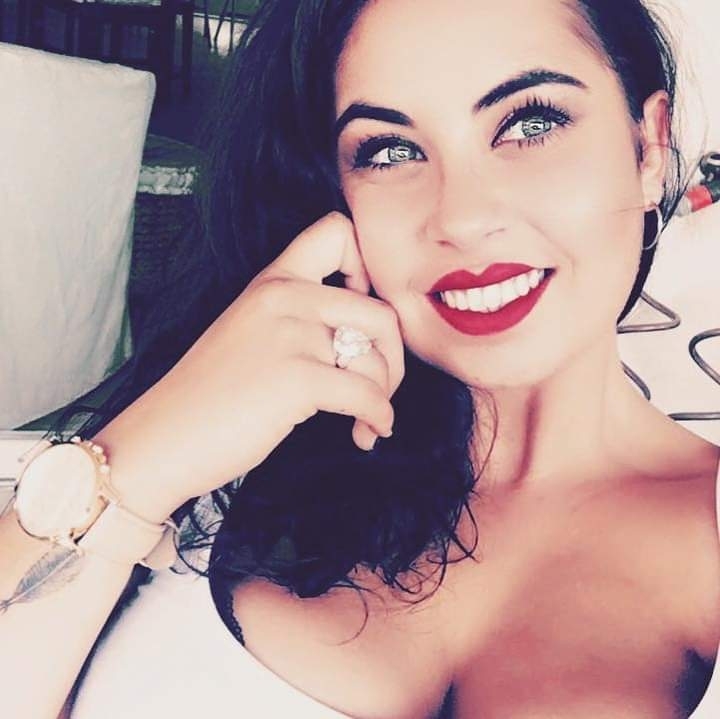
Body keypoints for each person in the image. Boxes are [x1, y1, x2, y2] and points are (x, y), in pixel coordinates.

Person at [1, 0, 719, 717]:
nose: (463, 218)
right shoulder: (224, 458)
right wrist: (136, 462)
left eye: (532, 123)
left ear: (648, 149)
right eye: (390, 151)